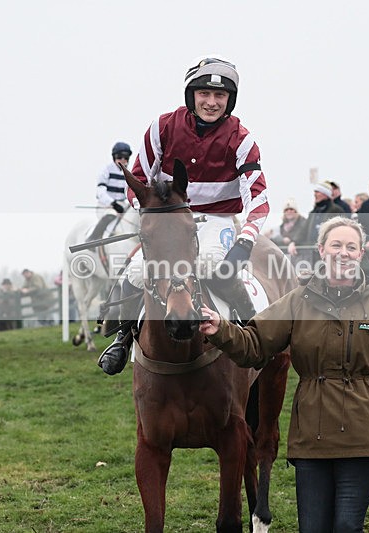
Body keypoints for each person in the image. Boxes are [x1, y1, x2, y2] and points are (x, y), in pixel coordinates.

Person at [199, 217, 369, 532]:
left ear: (361, 254)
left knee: (347, 527)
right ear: (321, 250)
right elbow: (254, 344)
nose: (343, 252)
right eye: (336, 245)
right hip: (312, 438)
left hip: (365, 437)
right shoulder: (298, 300)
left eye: (351, 247)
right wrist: (220, 329)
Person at [98, 55, 270, 375]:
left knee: (217, 268)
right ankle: (121, 336)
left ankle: (254, 333)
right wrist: (154, 220)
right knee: (134, 272)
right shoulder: (162, 126)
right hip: (171, 219)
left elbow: (259, 201)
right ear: (191, 96)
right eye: (204, 94)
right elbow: (136, 183)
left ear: (230, 100)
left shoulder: (242, 139)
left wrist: (244, 245)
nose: (211, 102)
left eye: (220, 96)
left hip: (216, 220)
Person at [287, 181, 345, 267]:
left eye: (318, 192)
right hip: (312, 254)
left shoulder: (336, 211)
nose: (315, 194)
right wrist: (294, 242)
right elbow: (304, 230)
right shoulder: (313, 213)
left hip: (329, 255)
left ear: (325, 194)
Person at [96, 142, 132, 218]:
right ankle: (99, 230)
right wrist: (113, 203)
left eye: (126, 157)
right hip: (106, 206)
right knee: (111, 215)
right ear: (114, 157)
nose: (123, 159)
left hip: (123, 206)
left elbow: (130, 192)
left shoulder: (130, 174)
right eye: (119, 156)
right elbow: (100, 192)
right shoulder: (106, 170)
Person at [269, 198, 308, 265]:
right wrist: (281, 239)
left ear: (296, 211)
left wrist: (290, 241)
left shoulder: (304, 223)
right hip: (286, 259)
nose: (289, 211)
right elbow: (274, 239)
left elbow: (300, 236)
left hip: (301, 258)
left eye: (291, 209)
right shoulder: (282, 227)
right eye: (286, 210)